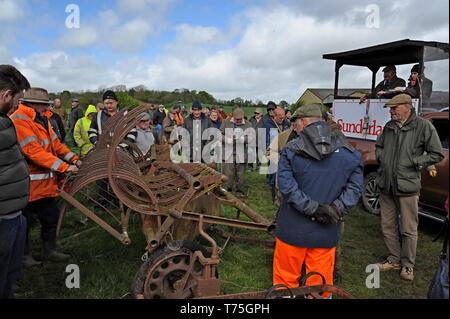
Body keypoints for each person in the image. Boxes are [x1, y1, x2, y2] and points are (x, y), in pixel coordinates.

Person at [275, 104, 363, 297]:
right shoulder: (349, 153)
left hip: (292, 230)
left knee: (285, 283)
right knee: (320, 284)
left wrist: (314, 209)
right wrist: (335, 209)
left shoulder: (291, 151)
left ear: (304, 122)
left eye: (295, 124)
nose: (295, 129)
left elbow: (287, 189)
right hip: (326, 230)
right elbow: (355, 189)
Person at [374, 94, 444, 281]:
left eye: (394, 107)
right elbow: (379, 146)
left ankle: (407, 265)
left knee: (408, 229)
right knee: (387, 225)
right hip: (386, 184)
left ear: (407, 106)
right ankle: (394, 259)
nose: (391, 111)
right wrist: (382, 158)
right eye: (390, 108)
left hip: (407, 186)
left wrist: (416, 162)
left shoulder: (423, 126)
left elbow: (436, 153)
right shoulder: (389, 127)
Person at [11, 88, 81, 265]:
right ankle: (24, 256)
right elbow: (34, 152)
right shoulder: (20, 120)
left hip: (42, 184)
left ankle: (50, 250)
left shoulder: (42, 119)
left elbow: (56, 145)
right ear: (34, 104)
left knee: (51, 217)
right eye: (44, 105)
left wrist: (74, 158)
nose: (46, 108)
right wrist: (65, 167)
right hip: (25, 183)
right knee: (24, 223)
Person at [0, 65, 30, 299]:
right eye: (17, 100)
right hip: (3, 215)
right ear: (5, 95)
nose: (18, 106)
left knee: (10, 267)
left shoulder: (3, 121)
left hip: (13, 211)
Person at [220, 108, 253, 198]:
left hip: (241, 153)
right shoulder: (226, 122)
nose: (238, 121)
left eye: (240, 119)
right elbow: (219, 134)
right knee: (227, 173)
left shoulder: (248, 124)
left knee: (240, 174)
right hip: (228, 152)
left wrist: (244, 139)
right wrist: (226, 139)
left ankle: (240, 191)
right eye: (236, 119)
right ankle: (225, 191)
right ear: (233, 117)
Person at [248, 107, 265, 172]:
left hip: (260, 139)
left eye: (258, 113)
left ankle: (258, 167)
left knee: (259, 154)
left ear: (261, 114)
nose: (256, 114)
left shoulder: (264, 120)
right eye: (255, 113)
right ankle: (250, 167)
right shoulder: (251, 119)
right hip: (252, 139)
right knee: (250, 154)